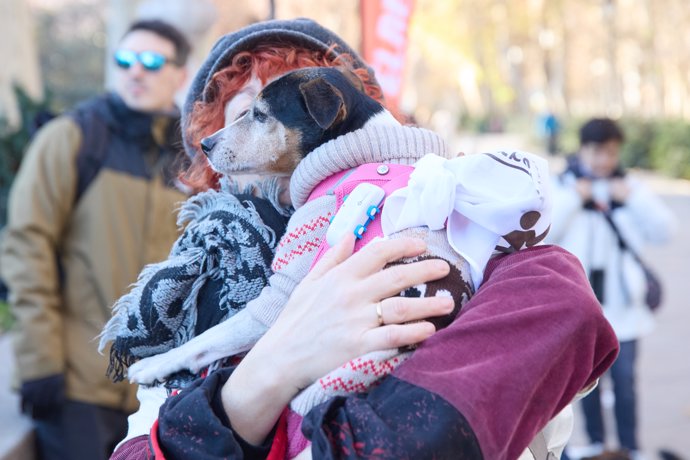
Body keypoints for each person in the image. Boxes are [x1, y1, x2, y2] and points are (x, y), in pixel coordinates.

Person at [108, 19, 619, 460]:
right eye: (243, 113)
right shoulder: (194, 288)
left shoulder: (445, 212)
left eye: (282, 110)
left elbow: (546, 399)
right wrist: (272, 366)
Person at [0, 19, 190, 460]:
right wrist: (40, 362)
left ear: (180, 75)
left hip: (156, 390)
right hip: (76, 386)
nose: (135, 71)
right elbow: (28, 247)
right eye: (124, 60)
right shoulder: (72, 138)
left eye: (151, 61)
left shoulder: (190, 160)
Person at [546, 118, 676, 459]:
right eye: (597, 151)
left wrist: (631, 199)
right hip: (583, 309)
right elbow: (543, 234)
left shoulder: (629, 187)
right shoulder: (563, 187)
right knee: (585, 383)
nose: (604, 159)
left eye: (611, 152)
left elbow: (665, 231)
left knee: (626, 384)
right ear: (583, 149)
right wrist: (575, 199)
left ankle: (631, 447)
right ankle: (595, 444)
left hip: (625, 308)